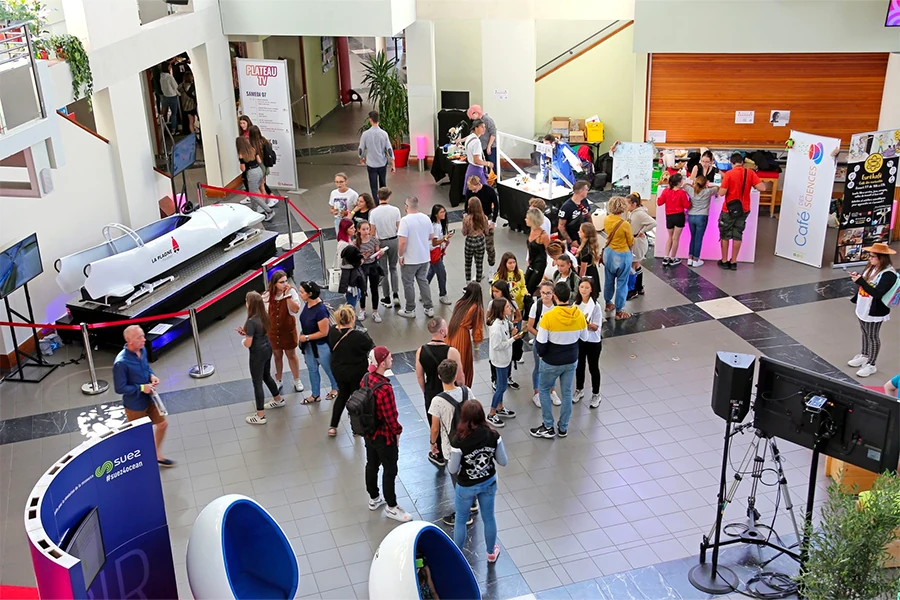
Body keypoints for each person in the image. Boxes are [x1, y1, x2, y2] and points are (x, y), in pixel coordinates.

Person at [449, 399, 508, 562]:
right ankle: (491, 552)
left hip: (466, 486)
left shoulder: (458, 439)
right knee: (488, 517)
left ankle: (457, 556)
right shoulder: (493, 435)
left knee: (461, 519)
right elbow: (503, 461)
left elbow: (452, 469)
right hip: (488, 482)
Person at [530, 282, 587, 439]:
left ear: (555, 296)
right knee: (567, 393)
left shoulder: (548, 316)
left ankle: (548, 426)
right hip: (571, 360)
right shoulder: (579, 314)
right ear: (570, 296)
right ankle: (563, 427)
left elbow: (540, 343)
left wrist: (541, 356)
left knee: (543, 390)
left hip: (551, 361)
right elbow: (585, 337)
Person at [113, 325, 174, 467]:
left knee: (162, 424)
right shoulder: (121, 363)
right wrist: (141, 387)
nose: (143, 339)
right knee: (140, 435)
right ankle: (141, 461)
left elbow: (146, 367)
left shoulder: (142, 350)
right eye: (139, 337)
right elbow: (120, 388)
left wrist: (152, 375)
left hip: (149, 399)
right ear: (129, 340)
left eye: (143, 336)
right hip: (134, 405)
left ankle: (156, 453)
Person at [364, 346, 411, 522]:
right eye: (390, 358)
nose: (393, 360)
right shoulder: (385, 388)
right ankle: (392, 507)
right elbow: (391, 416)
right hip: (384, 436)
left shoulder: (366, 378)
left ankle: (374, 498)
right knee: (390, 469)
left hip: (369, 433)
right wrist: (398, 433)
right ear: (382, 363)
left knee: (372, 464)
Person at [428, 358, 476, 527]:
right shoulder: (466, 391)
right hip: (470, 442)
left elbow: (435, 428)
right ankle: (474, 501)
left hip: (451, 448)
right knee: (470, 471)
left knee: (458, 480)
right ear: (456, 375)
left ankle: (465, 513)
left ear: (439, 377)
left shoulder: (437, 401)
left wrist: (433, 443)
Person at [416, 320, 464, 466]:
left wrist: (426, 391)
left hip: (432, 393)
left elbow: (419, 376)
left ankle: (439, 453)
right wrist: (462, 391)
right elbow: (461, 377)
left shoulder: (421, 351)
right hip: (450, 393)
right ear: (442, 331)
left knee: (434, 423)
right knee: (453, 421)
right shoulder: (452, 351)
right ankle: (457, 449)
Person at [848, 243, 897, 378]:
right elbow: (866, 282)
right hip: (863, 305)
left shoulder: (888, 274)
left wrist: (860, 282)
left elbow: (877, 293)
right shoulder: (872, 267)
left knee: (873, 336)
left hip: (875, 309)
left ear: (881, 258)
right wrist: (859, 278)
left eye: (872, 256)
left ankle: (871, 364)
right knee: (864, 332)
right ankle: (864, 355)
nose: (870, 258)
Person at [238, 291, 285, 425]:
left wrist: (244, 340)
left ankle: (260, 415)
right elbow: (259, 333)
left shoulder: (252, 321)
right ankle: (278, 399)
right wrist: (247, 333)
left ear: (250, 304)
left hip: (257, 354)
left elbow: (248, 343)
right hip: (267, 348)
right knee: (266, 375)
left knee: (257, 382)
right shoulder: (264, 316)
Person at [328, 305, 375, 437]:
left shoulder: (332, 331)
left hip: (338, 370)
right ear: (352, 318)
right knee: (357, 399)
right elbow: (371, 347)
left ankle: (333, 426)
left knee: (342, 395)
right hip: (356, 372)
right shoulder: (359, 336)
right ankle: (357, 428)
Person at [717, 152, 766, 270]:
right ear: (742, 163)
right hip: (744, 209)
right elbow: (762, 188)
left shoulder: (729, 174)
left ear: (731, 163)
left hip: (728, 209)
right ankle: (733, 261)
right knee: (737, 234)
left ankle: (724, 260)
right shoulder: (750, 173)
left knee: (725, 234)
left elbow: (721, 193)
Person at [262, 270, 303, 394]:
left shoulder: (291, 292)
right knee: (277, 356)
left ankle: (297, 379)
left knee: (291, 355)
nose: (285, 284)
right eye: (281, 282)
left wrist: (287, 296)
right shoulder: (268, 296)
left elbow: (295, 309)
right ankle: (278, 379)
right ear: (274, 283)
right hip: (273, 332)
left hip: (287, 331)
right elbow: (264, 313)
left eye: (286, 281)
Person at [297, 281, 339, 403]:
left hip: (321, 346)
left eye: (301, 292)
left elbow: (324, 332)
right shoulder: (308, 304)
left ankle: (335, 388)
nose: (299, 294)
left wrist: (307, 337)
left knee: (328, 369)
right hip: (309, 346)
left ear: (310, 294)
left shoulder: (320, 310)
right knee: (312, 370)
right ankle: (315, 394)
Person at [398, 196, 435, 319]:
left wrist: (400, 255)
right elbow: (431, 236)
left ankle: (410, 309)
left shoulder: (405, 220)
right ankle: (429, 307)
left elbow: (402, 241)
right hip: (424, 257)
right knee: (423, 281)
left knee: (408, 284)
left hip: (410, 259)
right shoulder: (425, 218)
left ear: (406, 206)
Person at [487, 298, 522, 427]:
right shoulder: (496, 327)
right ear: (501, 310)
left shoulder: (505, 321)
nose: (510, 309)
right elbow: (497, 346)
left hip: (505, 358)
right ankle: (491, 413)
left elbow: (505, 336)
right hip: (500, 360)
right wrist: (513, 339)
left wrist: (511, 333)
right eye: (507, 307)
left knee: (502, 385)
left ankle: (500, 408)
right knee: (501, 387)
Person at [527, 281, 560, 409]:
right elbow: (530, 327)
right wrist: (541, 337)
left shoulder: (557, 305)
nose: (545, 296)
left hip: (554, 342)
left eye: (548, 293)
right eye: (543, 293)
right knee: (539, 367)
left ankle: (552, 390)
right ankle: (537, 393)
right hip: (540, 342)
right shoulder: (537, 306)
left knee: (552, 367)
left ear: (553, 294)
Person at [602, 196, 635, 320]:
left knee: (609, 280)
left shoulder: (607, 219)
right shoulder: (624, 224)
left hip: (609, 253)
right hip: (622, 255)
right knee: (622, 283)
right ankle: (619, 311)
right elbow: (630, 241)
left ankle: (608, 303)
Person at [447, 282, 485, 387]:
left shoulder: (459, 303)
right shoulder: (477, 308)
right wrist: (476, 349)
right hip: (463, 336)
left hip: (451, 333)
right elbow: (477, 331)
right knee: (463, 363)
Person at [370, 187, 402, 309]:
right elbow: (399, 228)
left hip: (381, 243)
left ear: (378, 197)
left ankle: (387, 297)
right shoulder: (395, 210)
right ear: (389, 196)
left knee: (383, 271)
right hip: (394, 240)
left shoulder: (374, 213)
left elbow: (372, 232)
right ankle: (396, 295)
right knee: (393, 268)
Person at [489, 281, 523, 392]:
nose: (494, 294)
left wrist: (512, 324)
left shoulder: (512, 302)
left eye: (497, 291)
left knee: (509, 356)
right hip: (499, 334)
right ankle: (495, 379)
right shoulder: (492, 304)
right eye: (493, 291)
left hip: (508, 334)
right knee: (496, 359)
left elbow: (519, 316)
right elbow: (488, 319)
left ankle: (508, 377)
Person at [575, 278, 603, 409]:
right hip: (580, 340)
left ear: (591, 289)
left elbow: (596, 327)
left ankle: (596, 394)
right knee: (579, 366)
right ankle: (579, 389)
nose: (584, 290)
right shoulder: (576, 304)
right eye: (582, 287)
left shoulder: (595, 306)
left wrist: (585, 322)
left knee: (593, 367)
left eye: (586, 287)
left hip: (593, 341)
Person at [684, 175, 718, 267]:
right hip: (702, 216)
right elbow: (717, 188)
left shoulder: (691, 190)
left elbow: (685, 184)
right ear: (705, 184)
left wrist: (692, 183)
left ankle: (690, 258)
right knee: (698, 238)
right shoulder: (708, 191)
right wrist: (708, 186)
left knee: (693, 237)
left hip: (691, 216)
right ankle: (696, 259)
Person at [236, 137, 274, 221]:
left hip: (251, 173)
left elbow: (243, 169)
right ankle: (254, 211)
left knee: (252, 194)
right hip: (259, 170)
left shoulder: (241, 154)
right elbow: (259, 161)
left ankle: (269, 211)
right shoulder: (253, 149)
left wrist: (243, 162)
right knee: (253, 191)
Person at [359, 111, 395, 197]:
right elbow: (389, 149)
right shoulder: (384, 134)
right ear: (378, 120)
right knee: (383, 184)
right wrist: (393, 163)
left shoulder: (365, 134)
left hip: (371, 164)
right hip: (382, 163)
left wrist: (361, 158)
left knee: (373, 186)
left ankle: (376, 203)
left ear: (370, 120)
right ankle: (383, 200)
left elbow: (361, 148)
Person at [464, 176, 499, 267]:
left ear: (479, 184)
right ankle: (479, 268)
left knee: (489, 245)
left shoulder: (489, 190)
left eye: (474, 189)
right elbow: (466, 206)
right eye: (471, 189)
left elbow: (496, 205)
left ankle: (492, 268)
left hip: (488, 217)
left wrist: (493, 221)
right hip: (475, 220)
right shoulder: (469, 192)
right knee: (477, 247)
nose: (473, 192)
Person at [657, 173, 690, 266]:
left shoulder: (666, 191)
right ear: (679, 182)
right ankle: (672, 258)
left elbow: (659, 202)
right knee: (676, 239)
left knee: (670, 237)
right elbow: (686, 205)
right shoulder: (682, 193)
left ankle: (665, 257)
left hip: (669, 216)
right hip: (679, 216)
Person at [626, 193, 655, 300]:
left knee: (633, 265)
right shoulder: (633, 213)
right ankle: (639, 287)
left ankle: (633, 290)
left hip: (637, 242)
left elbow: (653, 223)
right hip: (635, 241)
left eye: (628, 204)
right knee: (636, 264)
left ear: (634, 204)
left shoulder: (639, 214)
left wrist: (642, 231)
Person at [427, 204, 455, 305]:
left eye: (444, 212)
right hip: (435, 252)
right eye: (441, 212)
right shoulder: (436, 227)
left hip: (436, 252)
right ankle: (443, 294)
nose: (444, 214)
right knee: (442, 274)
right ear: (436, 214)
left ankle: (424, 290)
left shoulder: (437, 225)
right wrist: (445, 238)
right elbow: (434, 242)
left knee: (432, 271)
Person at [355, 221, 382, 322]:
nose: (366, 231)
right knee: (363, 289)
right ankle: (362, 309)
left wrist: (379, 253)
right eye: (363, 229)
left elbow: (377, 253)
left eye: (367, 229)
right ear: (358, 230)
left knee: (374, 288)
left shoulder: (374, 240)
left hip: (373, 266)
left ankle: (375, 311)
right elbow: (355, 258)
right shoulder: (356, 243)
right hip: (362, 267)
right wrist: (362, 257)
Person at [335, 219, 362, 309]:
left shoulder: (348, 240)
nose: (354, 229)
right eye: (351, 228)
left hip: (352, 273)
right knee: (352, 299)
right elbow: (343, 262)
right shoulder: (343, 244)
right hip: (349, 275)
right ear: (345, 229)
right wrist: (359, 262)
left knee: (356, 295)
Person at [558, 181, 592, 249]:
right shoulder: (566, 207)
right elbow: (561, 226)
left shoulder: (584, 201)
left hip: (586, 236)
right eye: (586, 190)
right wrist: (571, 241)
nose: (587, 192)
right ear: (581, 191)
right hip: (574, 238)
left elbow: (588, 215)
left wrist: (592, 230)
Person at [524, 208, 550, 296]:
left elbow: (549, 251)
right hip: (531, 262)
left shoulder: (543, 236)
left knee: (530, 287)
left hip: (539, 264)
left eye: (527, 218)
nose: (525, 220)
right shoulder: (531, 230)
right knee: (524, 284)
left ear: (532, 220)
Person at [462, 197, 488, 282]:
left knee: (468, 263)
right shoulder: (484, 218)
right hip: (480, 240)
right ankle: (478, 282)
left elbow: (464, 233)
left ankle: (468, 283)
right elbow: (486, 231)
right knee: (479, 263)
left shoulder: (467, 219)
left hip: (470, 241)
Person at [463, 119, 492, 185]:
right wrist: (488, 164)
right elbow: (477, 160)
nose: (484, 129)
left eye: (484, 127)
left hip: (470, 168)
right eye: (482, 127)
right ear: (476, 128)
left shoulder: (470, 137)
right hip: (476, 170)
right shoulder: (476, 142)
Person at [576, 222, 602, 294]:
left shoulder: (585, 252)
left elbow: (583, 271)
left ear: (585, 234)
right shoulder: (590, 246)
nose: (578, 232)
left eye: (580, 231)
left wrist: (579, 283)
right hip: (593, 271)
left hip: (587, 275)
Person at [159, 61, 179, 134]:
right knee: (174, 114)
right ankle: (173, 130)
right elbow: (175, 86)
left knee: (164, 113)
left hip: (165, 96)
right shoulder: (169, 77)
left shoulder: (161, 77)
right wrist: (179, 94)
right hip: (172, 96)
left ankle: (164, 129)